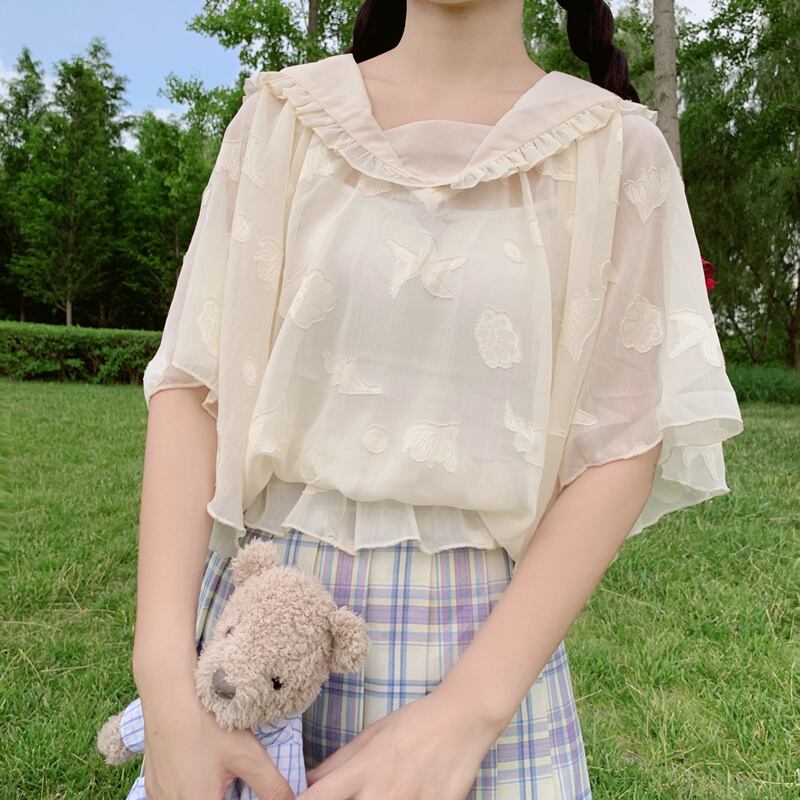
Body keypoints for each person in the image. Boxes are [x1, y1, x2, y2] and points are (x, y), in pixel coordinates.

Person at [130, 1, 744, 798]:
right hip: (257, 639)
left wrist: (467, 713)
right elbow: (191, 383)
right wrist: (164, 686)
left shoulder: (615, 150)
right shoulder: (282, 117)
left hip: (482, 655)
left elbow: (626, 440)